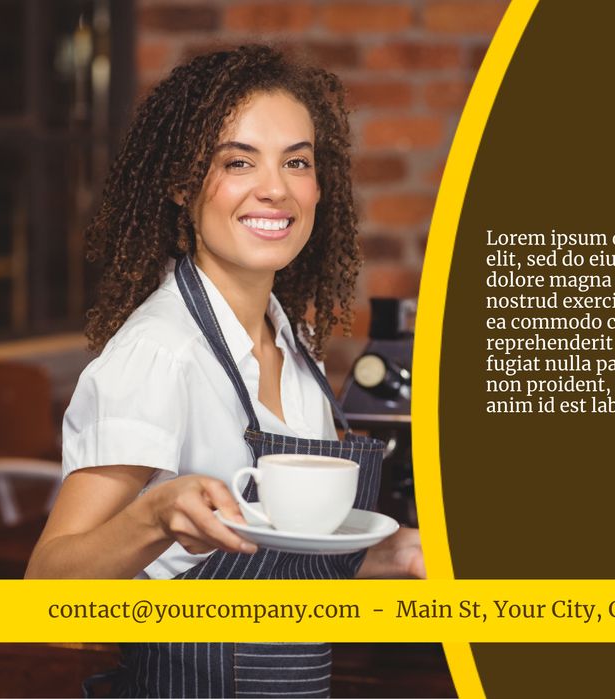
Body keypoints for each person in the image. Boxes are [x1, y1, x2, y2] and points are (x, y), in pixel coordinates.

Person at [25, 45, 423, 696]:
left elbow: (283, 572)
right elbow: (46, 589)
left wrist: (396, 553)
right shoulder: (160, 353)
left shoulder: (296, 350)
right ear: (183, 185)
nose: (276, 187)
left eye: (297, 161)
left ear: (319, 186)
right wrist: (151, 518)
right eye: (238, 161)